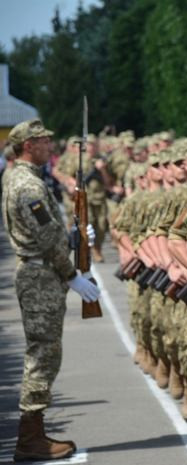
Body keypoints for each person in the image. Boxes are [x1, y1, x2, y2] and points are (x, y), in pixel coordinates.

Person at [2, 118, 100, 462]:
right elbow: (44, 237)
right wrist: (72, 274)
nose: (50, 146)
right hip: (41, 275)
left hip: (40, 272)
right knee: (43, 354)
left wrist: (73, 239)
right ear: (28, 146)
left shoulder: (24, 178)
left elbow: (48, 231)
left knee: (44, 352)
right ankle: (30, 438)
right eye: (44, 141)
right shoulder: (27, 185)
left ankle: (35, 430)